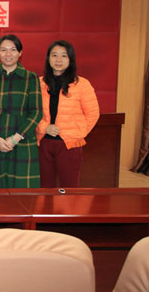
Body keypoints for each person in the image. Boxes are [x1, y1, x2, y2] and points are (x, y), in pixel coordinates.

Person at [0, 34, 42, 188]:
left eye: (13, 50)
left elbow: (36, 112)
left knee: (22, 193)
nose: (8, 54)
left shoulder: (31, 78)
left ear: (20, 53)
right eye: (3, 50)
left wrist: (15, 138)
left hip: (22, 141)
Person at [36, 40, 100, 188]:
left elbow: (93, 114)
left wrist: (76, 133)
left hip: (69, 145)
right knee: (45, 188)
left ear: (70, 59)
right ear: (48, 58)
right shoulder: (38, 83)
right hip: (43, 143)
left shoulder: (82, 84)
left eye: (64, 55)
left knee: (69, 188)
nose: (58, 60)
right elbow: (31, 112)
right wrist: (44, 127)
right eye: (54, 55)